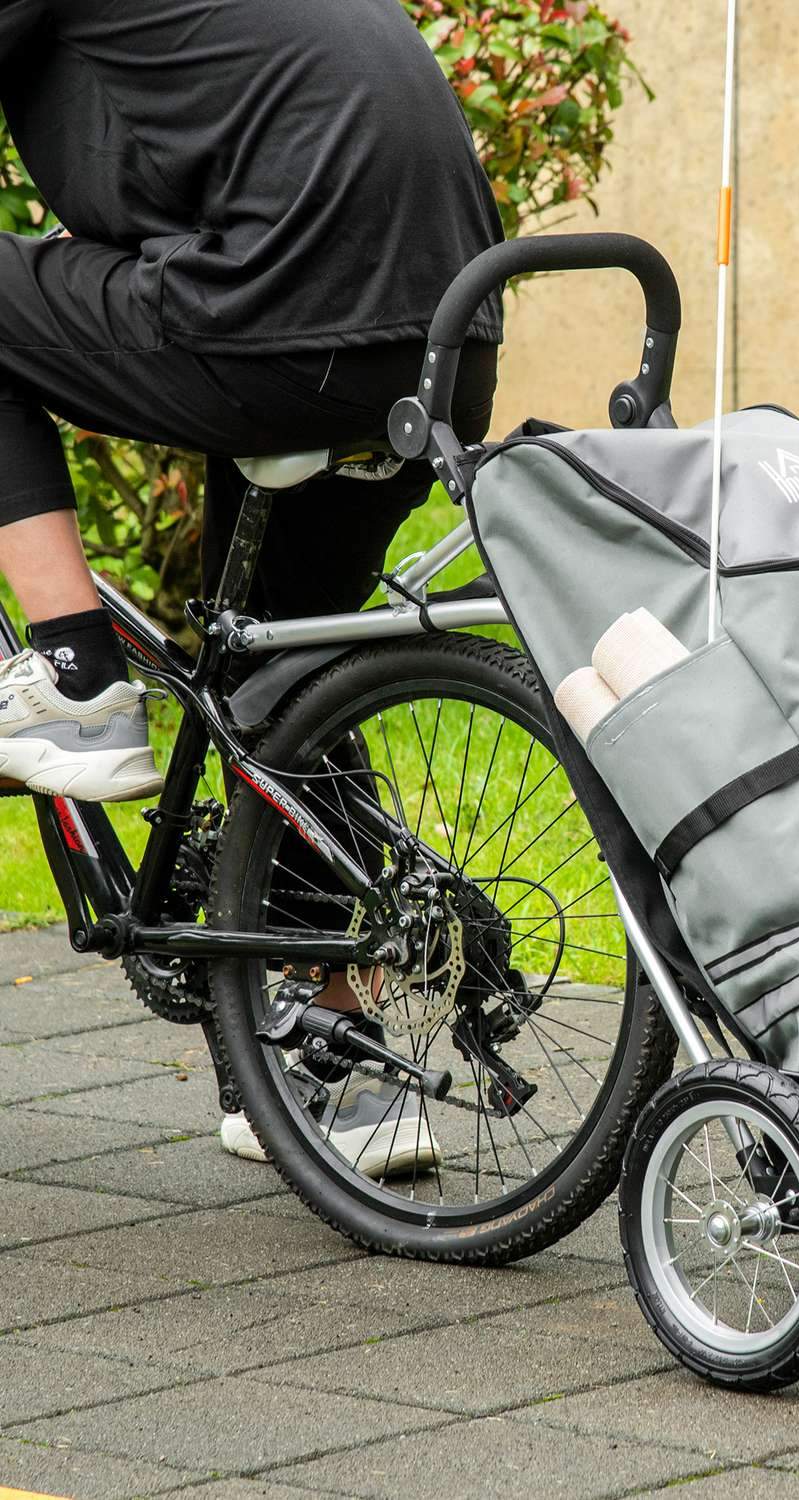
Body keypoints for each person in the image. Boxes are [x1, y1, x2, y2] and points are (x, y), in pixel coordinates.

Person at [0, 0, 505, 1171]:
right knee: (283, 674)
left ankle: (77, 674)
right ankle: (345, 1071)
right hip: (439, 339)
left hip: (286, 314)